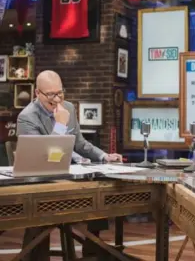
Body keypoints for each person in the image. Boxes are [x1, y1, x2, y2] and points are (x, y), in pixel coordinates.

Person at [17, 70, 121, 259]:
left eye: (60, 92)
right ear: (37, 94)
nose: (57, 99)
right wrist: (60, 126)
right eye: (51, 94)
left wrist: (104, 156)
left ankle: (92, 248)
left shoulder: (69, 108)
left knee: (101, 188)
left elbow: (79, 143)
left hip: (67, 173)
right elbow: (47, 160)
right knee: (41, 209)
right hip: (40, 181)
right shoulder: (27, 117)